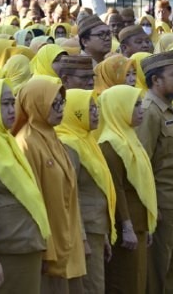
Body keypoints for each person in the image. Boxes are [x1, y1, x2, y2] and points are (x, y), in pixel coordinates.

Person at [0, 78, 49, 294]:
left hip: (24, 246)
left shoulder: (4, 140)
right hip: (4, 251)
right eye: (4, 103)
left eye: (12, 102)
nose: (11, 109)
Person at [14, 77, 86, 292]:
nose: (60, 109)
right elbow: (33, 202)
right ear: (36, 103)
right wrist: (47, 249)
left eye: (61, 103)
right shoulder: (27, 142)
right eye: (53, 103)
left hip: (66, 235)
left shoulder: (52, 137)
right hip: (49, 245)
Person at [136, 51, 173, 294]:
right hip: (162, 205)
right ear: (156, 80)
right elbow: (142, 163)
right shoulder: (149, 111)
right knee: (158, 270)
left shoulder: (170, 108)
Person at [56, 89, 116, 294]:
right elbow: (70, 195)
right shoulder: (69, 145)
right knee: (91, 287)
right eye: (89, 108)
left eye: (96, 107)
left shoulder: (86, 140)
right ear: (75, 111)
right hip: (85, 229)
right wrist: (81, 238)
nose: (95, 112)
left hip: (96, 228)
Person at [98, 85, 156, 294]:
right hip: (126, 227)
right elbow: (116, 189)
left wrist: (145, 224)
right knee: (124, 283)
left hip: (138, 222)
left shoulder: (129, 137)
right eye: (135, 105)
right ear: (118, 108)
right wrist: (127, 226)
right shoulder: (110, 144)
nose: (141, 110)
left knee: (138, 281)